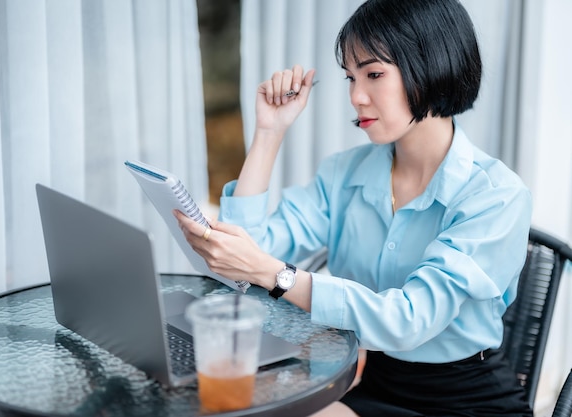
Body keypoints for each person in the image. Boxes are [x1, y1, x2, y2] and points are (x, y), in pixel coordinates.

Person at [174, 0, 533, 415]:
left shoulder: (496, 195)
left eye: (374, 74)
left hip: (465, 400)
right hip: (369, 382)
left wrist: (275, 274)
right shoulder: (344, 174)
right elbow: (245, 258)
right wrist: (269, 133)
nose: (356, 96)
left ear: (433, 65)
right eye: (350, 77)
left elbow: (407, 319)